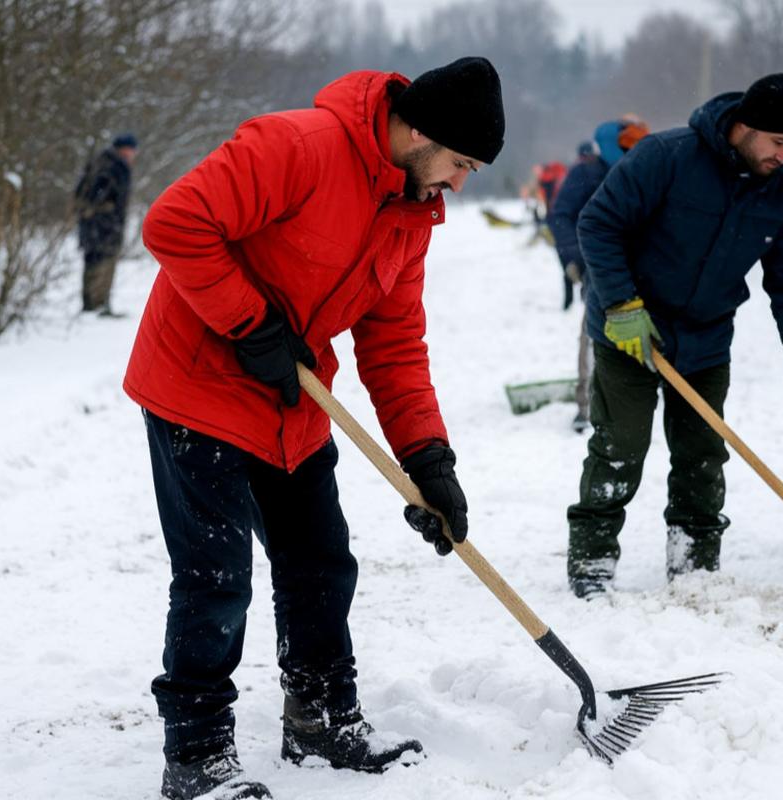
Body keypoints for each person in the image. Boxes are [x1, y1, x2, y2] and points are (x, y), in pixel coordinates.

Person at [123, 57, 504, 800]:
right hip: (197, 383)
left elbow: (394, 344)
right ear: (420, 131)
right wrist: (249, 322)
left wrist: (429, 458)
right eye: (460, 163)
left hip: (289, 398)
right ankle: (197, 755)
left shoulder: (410, 211)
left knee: (321, 562)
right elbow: (173, 222)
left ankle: (321, 717)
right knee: (215, 578)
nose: (460, 183)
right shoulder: (298, 145)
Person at [565, 73, 783, 598]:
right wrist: (622, 303)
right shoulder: (666, 156)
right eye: (779, 142)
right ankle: (593, 558)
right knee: (620, 445)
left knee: (701, 454)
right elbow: (598, 223)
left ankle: (693, 560)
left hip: (706, 338)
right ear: (743, 126)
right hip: (629, 333)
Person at [548, 117, 650, 432]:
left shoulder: (646, 167)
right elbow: (562, 216)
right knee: (594, 332)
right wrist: (573, 257)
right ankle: (587, 404)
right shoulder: (588, 171)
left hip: (641, 268)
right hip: (596, 264)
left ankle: (634, 401)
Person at [74, 132, 137, 315]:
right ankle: (97, 305)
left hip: (95, 225)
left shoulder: (101, 161)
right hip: (104, 226)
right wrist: (105, 212)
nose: (132, 154)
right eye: (130, 150)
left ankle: (92, 304)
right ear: (122, 149)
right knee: (103, 263)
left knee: (93, 261)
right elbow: (97, 196)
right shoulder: (113, 166)